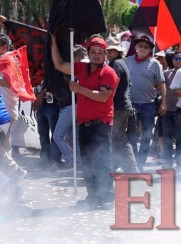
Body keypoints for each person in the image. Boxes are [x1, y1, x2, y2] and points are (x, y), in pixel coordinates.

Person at [51, 34, 119, 209]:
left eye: (100, 52)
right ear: (88, 52)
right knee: (88, 163)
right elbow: (59, 65)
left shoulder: (108, 72)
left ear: (106, 54)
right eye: (93, 52)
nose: (96, 55)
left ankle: (107, 199)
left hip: (101, 125)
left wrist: (79, 88)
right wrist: (52, 41)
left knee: (102, 163)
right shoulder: (81, 68)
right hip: (84, 124)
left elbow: (104, 96)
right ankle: (93, 197)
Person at [126, 34, 166, 169]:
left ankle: (140, 162)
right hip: (131, 103)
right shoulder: (128, 60)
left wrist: (164, 102)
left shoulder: (155, 64)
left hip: (148, 104)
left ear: (150, 49)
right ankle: (133, 161)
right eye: (140, 46)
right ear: (135, 47)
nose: (143, 48)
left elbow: (161, 84)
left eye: (146, 46)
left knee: (146, 135)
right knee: (131, 134)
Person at [106, 37, 139, 173]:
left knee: (120, 138)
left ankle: (132, 169)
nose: (107, 54)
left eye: (109, 51)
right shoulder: (121, 62)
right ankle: (120, 166)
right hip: (123, 106)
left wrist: (107, 102)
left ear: (115, 52)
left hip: (119, 107)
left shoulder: (116, 64)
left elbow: (114, 85)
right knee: (117, 138)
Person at [161, 50, 181, 169]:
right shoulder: (165, 74)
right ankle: (167, 163)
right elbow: (161, 90)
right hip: (168, 110)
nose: (178, 61)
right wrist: (162, 104)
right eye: (176, 58)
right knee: (167, 139)